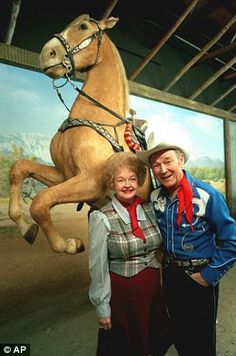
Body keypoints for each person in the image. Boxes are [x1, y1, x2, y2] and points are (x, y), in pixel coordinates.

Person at [137, 132, 236, 356]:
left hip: (199, 275)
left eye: (168, 161)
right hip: (170, 276)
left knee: (201, 344)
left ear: (181, 160)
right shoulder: (155, 198)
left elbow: (232, 241)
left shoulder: (207, 195)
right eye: (155, 165)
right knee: (180, 336)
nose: (162, 170)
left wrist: (207, 277)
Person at [88, 151, 168, 356]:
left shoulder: (149, 209)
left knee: (152, 345)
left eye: (132, 179)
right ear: (111, 182)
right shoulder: (101, 217)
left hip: (152, 291)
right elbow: (97, 265)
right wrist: (102, 306)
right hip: (124, 295)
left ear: (139, 180)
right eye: (120, 180)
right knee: (127, 347)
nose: (127, 185)